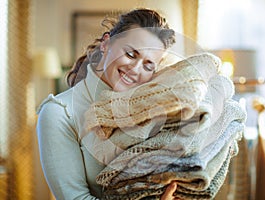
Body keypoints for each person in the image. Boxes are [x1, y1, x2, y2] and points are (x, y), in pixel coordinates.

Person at [36, 8, 179, 200]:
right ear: (106, 43)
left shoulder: (151, 111)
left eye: (148, 65)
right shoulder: (58, 113)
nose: (135, 69)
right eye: (130, 54)